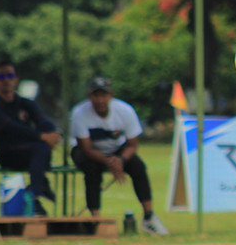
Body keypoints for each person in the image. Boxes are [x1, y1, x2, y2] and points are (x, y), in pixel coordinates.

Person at [70, 76, 169, 234]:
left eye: (104, 95)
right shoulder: (79, 113)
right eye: (96, 95)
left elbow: (132, 144)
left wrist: (121, 160)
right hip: (88, 152)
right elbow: (86, 148)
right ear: (90, 97)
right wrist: (111, 162)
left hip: (117, 150)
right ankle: (95, 218)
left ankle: (149, 217)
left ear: (111, 95)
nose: (100, 100)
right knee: (91, 169)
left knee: (138, 166)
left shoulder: (125, 111)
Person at [0, 60, 60, 217]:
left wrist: (52, 134)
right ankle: (37, 195)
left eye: (10, 75)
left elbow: (43, 121)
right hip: (7, 153)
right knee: (41, 147)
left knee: (43, 140)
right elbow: (14, 129)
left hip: (30, 150)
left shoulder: (26, 103)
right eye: (2, 76)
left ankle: (37, 191)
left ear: (16, 79)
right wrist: (42, 137)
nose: (6, 80)